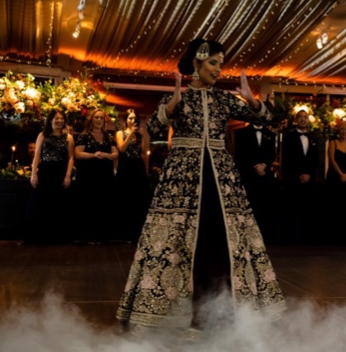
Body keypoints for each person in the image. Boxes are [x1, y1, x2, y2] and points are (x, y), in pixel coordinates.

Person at [116, 38, 285, 333]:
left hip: (221, 180)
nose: (219, 70)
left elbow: (269, 119)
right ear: (196, 62)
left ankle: (222, 312)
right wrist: (173, 104)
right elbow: (153, 128)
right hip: (182, 180)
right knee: (179, 242)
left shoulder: (223, 100)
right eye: (213, 63)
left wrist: (251, 99)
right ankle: (178, 314)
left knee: (222, 241)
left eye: (221, 64)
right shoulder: (179, 98)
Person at [25, 111, 74, 244]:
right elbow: (37, 155)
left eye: (62, 118)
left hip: (60, 172)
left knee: (59, 204)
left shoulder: (68, 137)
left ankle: (57, 236)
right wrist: (34, 174)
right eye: (56, 118)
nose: (59, 120)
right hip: (45, 172)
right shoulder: (43, 135)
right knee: (41, 203)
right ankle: (41, 236)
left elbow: (71, 157)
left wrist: (68, 175)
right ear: (50, 120)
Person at [72, 111, 117, 243]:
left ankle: (102, 235)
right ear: (91, 119)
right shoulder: (84, 136)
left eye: (101, 117)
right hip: (88, 175)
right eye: (96, 117)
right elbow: (78, 154)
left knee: (103, 204)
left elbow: (115, 154)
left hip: (105, 175)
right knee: (88, 203)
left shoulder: (109, 137)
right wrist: (94, 155)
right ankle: (86, 235)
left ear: (104, 120)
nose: (99, 120)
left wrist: (105, 155)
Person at [233, 113, 277, 242]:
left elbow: (271, 154)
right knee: (249, 205)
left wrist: (263, 165)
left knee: (264, 205)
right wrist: (254, 165)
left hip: (264, 176)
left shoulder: (270, 134)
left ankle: (263, 234)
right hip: (248, 175)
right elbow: (240, 153)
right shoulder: (241, 133)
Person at [279, 110, 321, 244]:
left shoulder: (314, 137)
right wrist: (298, 175)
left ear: (309, 120)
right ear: (296, 120)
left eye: (305, 117)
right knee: (291, 209)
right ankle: (290, 238)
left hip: (309, 180)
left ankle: (306, 238)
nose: (303, 119)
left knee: (307, 210)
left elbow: (316, 160)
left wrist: (309, 175)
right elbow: (286, 159)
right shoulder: (288, 137)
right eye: (300, 117)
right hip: (293, 179)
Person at [115, 110, 152, 242]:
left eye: (134, 119)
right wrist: (130, 133)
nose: (132, 121)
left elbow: (144, 151)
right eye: (130, 118)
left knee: (139, 197)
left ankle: (138, 232)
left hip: (137, 166)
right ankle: (123, 232)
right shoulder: (120, 133)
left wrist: (145, 134)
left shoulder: (139, 135)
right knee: (125, 197)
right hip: (126, 166)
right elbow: (122, 149)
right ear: (125, 120)